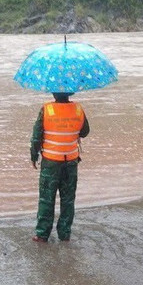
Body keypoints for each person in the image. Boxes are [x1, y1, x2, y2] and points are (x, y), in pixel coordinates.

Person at [31, 93, 90, 242]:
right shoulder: (78, 109)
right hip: (70, 161)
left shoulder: (47, 109)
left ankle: (42, 234)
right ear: (70, 93)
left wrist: (33, 156)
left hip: (51, 162)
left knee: (46, 199)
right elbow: (85, 131)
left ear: (53, 93)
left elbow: (37, 136)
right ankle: (64, 233)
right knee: (68, 199)